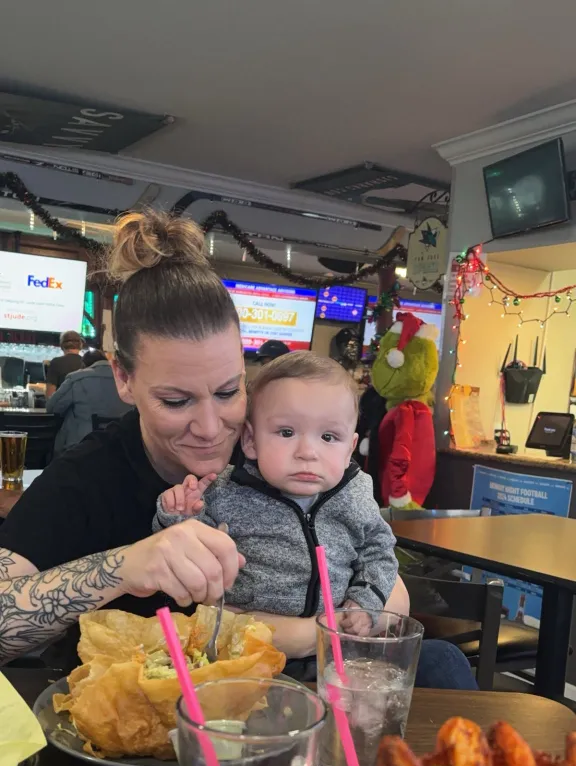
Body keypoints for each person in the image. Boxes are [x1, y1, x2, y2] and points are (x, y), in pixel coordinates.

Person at [0, 209, 475, 690]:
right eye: (175, 400)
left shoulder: (279, 443)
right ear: (123, 378)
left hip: (296, 689)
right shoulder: (89, 477)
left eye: (229, 391)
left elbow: (391, 592)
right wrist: (125, 566)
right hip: (152, 716)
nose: (211, 429)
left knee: (440, 665)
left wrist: (310, 633)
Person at [155, 351, 477, 690]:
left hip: (342, 652)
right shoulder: (225, 493)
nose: (308, 452)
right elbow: (186, 555)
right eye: (286, 432)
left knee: (444, 659)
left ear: (350, 447)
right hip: (253, 660)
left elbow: (379, 552)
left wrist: (364, 602)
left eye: (328, 437)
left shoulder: (354, 493)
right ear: (250, 439)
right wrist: (179, 517)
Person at [47, 349, 131, 454]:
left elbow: (52, 407)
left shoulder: (76, 378)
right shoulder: (125, 380)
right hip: (121, 449)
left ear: (84, 364)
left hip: (79, 450)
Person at [45, 331, 84, 397]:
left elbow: (50, 394)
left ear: (62, 345)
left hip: (62, 406)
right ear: (80, 345)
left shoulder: (56, 362)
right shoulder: (87, 363)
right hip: (82, 406)